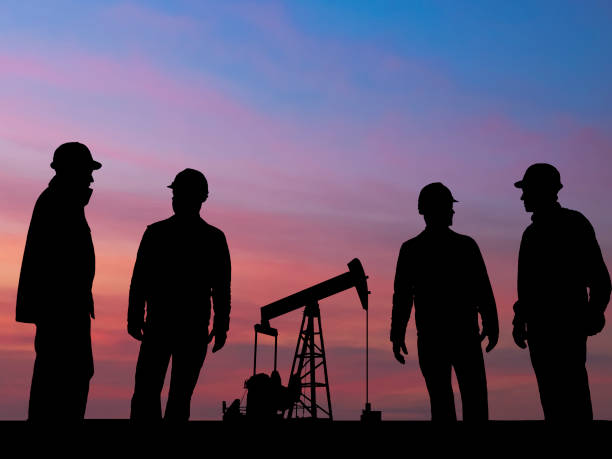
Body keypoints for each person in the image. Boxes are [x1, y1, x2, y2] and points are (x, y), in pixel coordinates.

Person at [128, 168, 231, 421]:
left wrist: (221, 325)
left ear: (198, 198)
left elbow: (220, 287)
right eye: (175, 194)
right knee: (159, 394)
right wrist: (220, 326)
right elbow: (140, 280)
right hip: (176, 326)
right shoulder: (210, 238)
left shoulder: (160, 234)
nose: (175, 199)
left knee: (163, 394)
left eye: (179, 194)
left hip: (174, 326)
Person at [391, 182, 499, 421]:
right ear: (432, 210)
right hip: (456, 336)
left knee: (447, 403)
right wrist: (491, 324)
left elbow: (402, 298)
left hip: (439, 337)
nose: (452, 212)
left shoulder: (413, 249)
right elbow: (402, 297)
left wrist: (397, 334)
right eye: (449, 206)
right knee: (469, 401)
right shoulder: (463, 246)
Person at [512, 163, 610, 420]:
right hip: (542, 330)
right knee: (552, 399)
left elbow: (600, 279)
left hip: (566, 329)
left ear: (542, 190)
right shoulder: (531, 234)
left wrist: (593, 312)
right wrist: (520, 319)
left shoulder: (573, 225)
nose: (523, 197)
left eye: (527, 190)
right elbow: (527, 288)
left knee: (572, 396)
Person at [16, 142, 101, 420]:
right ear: (71, 171)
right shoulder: (58, 203)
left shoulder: (63, 202)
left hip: (65, 309)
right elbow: (56, 265)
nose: (90, 178)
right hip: (61, 311)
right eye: (87, 171)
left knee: (66, 377)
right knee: (62, 378)